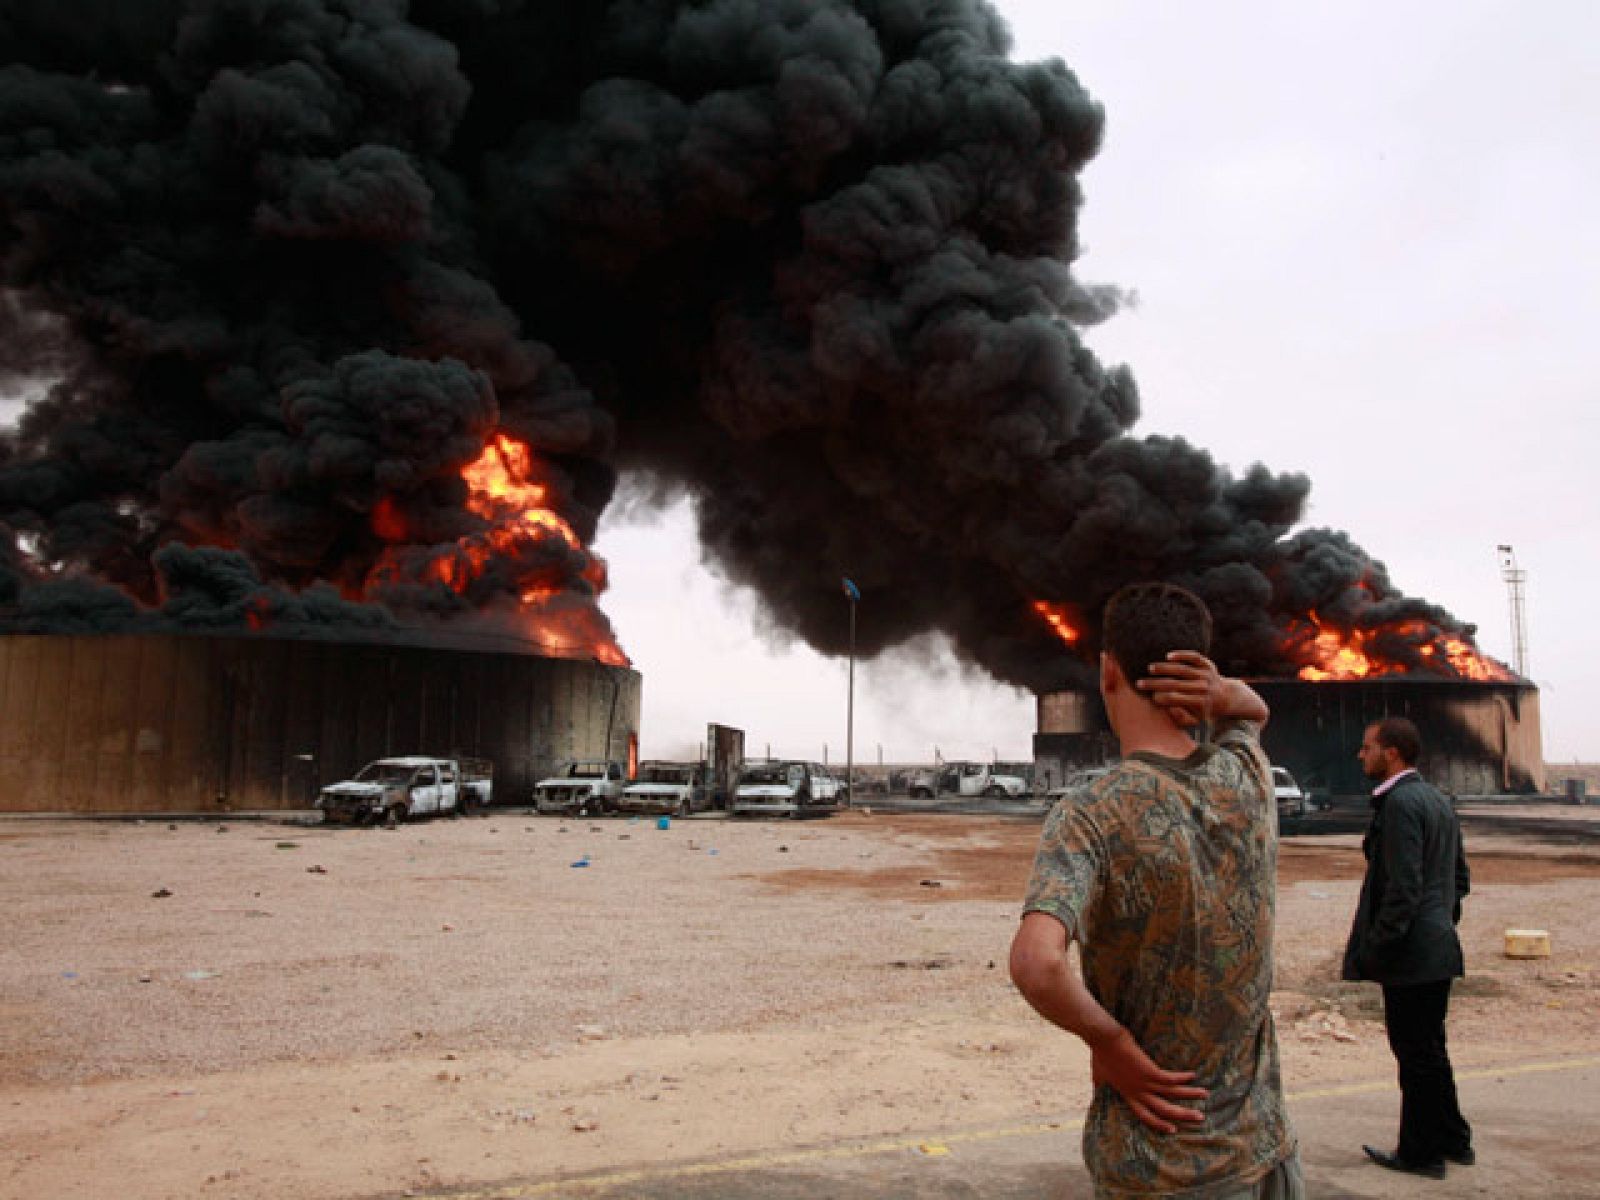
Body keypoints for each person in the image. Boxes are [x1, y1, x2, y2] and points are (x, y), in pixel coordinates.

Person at [1010, 582, 1301, 1198]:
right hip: (1265, 1151)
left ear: (1107, 671)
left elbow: (1038, 963)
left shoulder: (1091, 812)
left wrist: (1109, 1040)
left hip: (1158, 1167)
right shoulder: (1247, 777)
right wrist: (1223, 693)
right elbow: (1252, 712)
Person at [1342, 716, 1473, 1179]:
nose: (1361, 755)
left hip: (1413, 954)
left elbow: (1403, 887)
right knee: (1430, 1049)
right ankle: (1454, 1139)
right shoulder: (1437, 800)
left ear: (1391, 753)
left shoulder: (1398, 805)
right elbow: (1459, 879)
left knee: (1414, 1054)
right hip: (1437, 946)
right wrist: (1441, 925)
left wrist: (1380, 945)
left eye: (1367, 747)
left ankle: (1421, 1154)